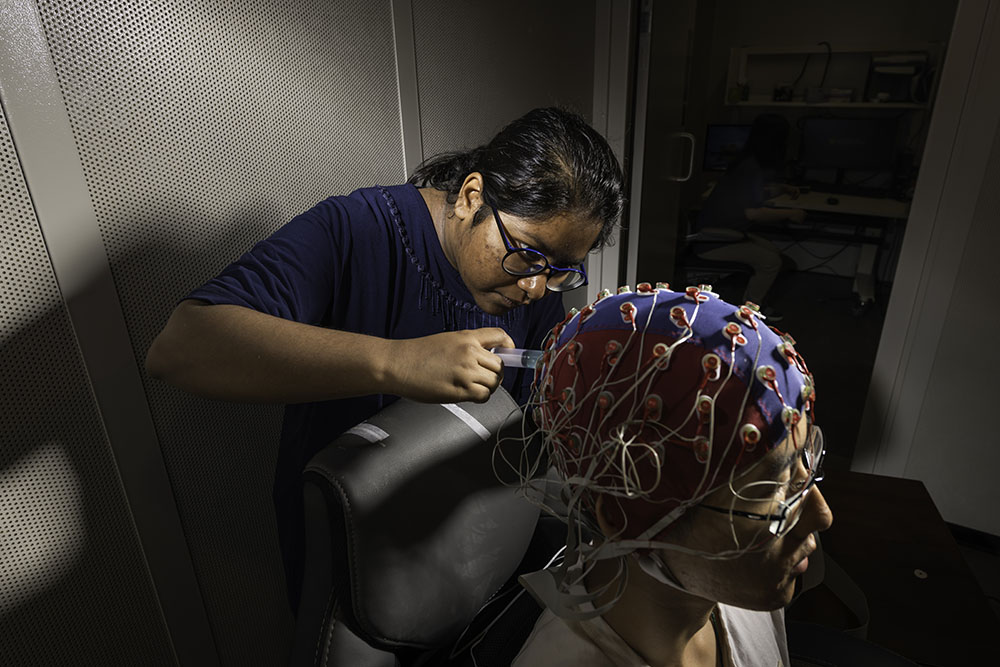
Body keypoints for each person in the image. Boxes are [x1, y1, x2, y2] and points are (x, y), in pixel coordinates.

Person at [144, 107, 626, 611]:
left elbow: (539, 414)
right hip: (355, 553)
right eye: (527, 254)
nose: (534, 287)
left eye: (562, 270)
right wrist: (395, 362)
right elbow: (183, 346)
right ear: (471, 197)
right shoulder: (359, 230)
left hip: (469, 542)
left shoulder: (533, 278)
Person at [504, 283, 833, 666]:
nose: (823, 515)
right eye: (772, 488)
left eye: (804, 463)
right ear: (622, 517)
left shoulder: (735, 587)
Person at [695, 114, 803, 321]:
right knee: (771, 261)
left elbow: (751, 196)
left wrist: (781, 188)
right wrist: (792, 213)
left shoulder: (747, 163)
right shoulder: (750, 168)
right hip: (714, 240)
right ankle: (749, 312)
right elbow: (753, 213)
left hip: (730, 233)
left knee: (774, 253)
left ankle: (754, 303)